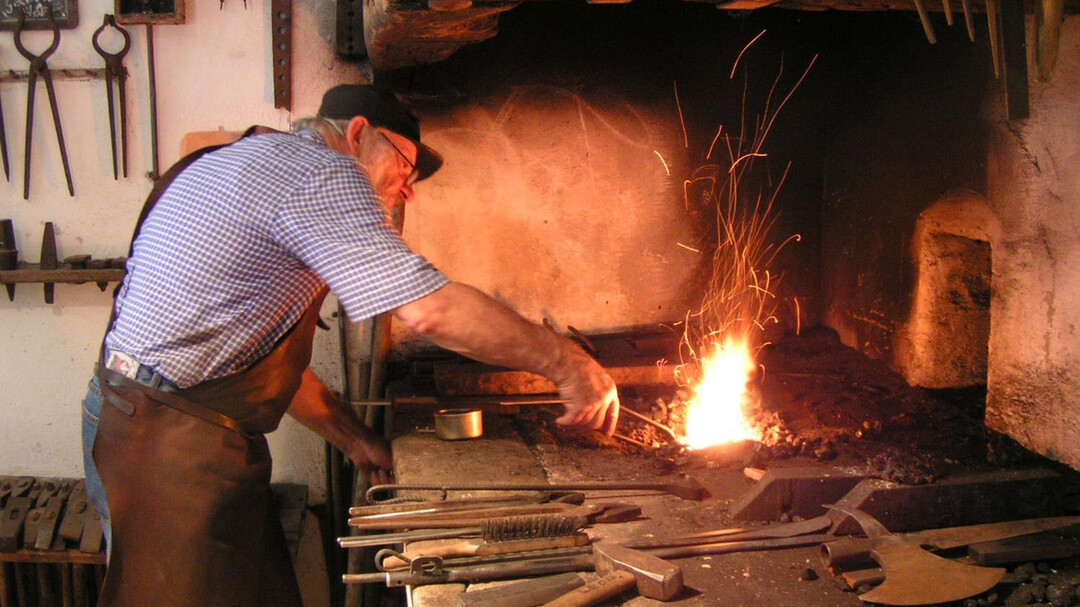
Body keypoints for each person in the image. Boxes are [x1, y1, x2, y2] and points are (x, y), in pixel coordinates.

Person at [80, 84, 620, 607]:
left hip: (144, 421)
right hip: (166, 448)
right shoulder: (321, 172)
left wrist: (355, 440)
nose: (408, 189)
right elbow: (429, 309)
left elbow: (252, 364)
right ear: (359, 133)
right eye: (406, 168)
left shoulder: (247, 159)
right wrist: (567, 364)